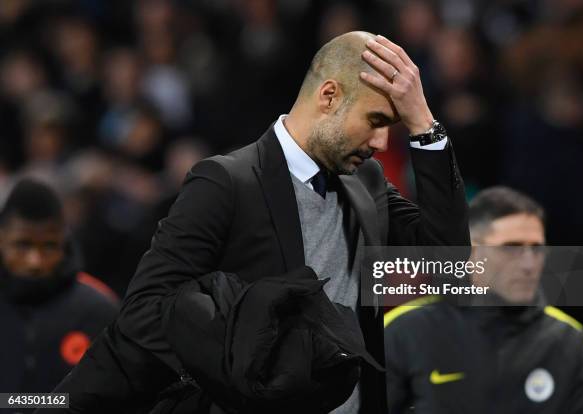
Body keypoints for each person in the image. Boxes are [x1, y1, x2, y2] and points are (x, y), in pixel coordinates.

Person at [48, 31, 469, 414]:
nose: (381, 143)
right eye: (376, 121)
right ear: (328, 96)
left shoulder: (367, 182)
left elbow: (448, 264)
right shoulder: (226, 182)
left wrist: (424, 126)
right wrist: (242, 370)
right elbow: (145, 312)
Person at [384, 186, 583, 414]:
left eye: (537, 249)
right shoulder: (402, 333)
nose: (528, 264)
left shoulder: (568, 342)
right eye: (511, 248)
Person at [0, 179, 118, 410]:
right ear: (1, 239)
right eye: (22, 245)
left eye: (49, 247)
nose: (35, 261)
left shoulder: (99, 309)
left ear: (64, 243)